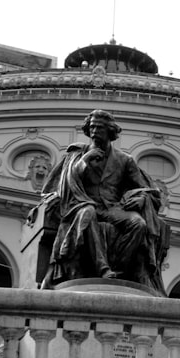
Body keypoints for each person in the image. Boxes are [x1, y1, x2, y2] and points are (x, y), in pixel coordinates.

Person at [36, 109, 168, 293]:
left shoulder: (124, 160)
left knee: (138, 224)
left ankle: (120, 271)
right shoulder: (78, 154)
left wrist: (141, 198)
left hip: (112, 207)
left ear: (110, 132)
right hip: (81, 204)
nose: (94, 131)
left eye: (99, 128)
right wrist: (85, 160)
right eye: (91, 127)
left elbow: (146, 189)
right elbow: (67, 181)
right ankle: (102, 268)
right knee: (88, 212)